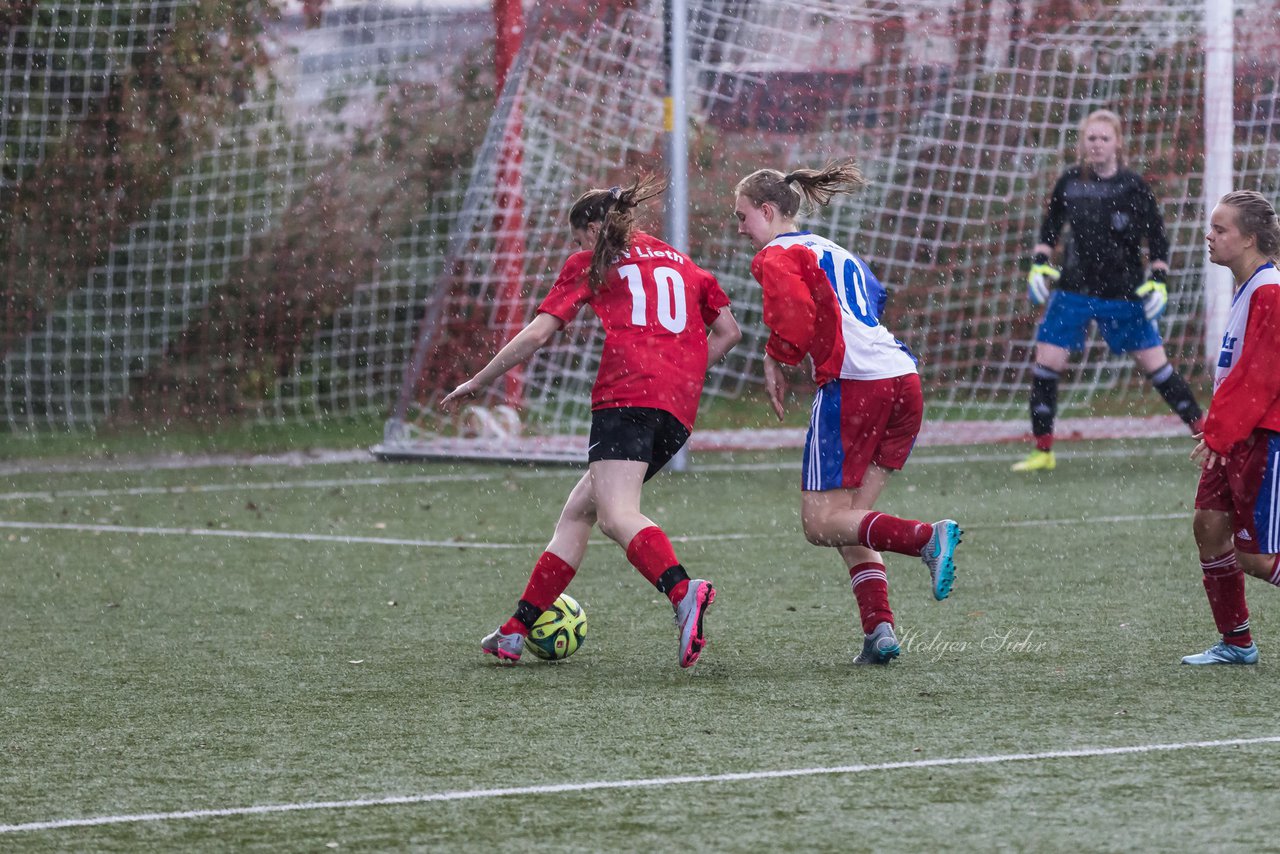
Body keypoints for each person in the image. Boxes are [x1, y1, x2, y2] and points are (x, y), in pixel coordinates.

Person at [440, 176, 742, 669]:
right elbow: (729, 330)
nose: (577, 248)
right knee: (579, 512)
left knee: (616, 515)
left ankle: (685, 591)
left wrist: (478, 381)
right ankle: (516, 630)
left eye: (579, 238)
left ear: (595, 228)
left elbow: (538, 333)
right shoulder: (684, 264)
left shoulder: (594, 260)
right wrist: (681, 372)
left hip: (625, 397)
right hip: (676, 408)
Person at [732, 158, 962, 666]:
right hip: (902, 378)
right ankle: (879, 632)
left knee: (820, 524)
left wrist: (780, 356)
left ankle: (928, 537)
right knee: (851, 520)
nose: (742, 229)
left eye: (743, 217)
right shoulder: (830, 247)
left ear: (768, 211)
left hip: (856, 386)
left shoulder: (775, 254)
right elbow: (872, 297)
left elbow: (794, 315)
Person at [1014, 108, 1203, 472]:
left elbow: (1158, 239)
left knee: (1157, 368)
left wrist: (1159, 281)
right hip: (1073, 290)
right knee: (1047, 363)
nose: (1097, 144)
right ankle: (1043, 451)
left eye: (1104, 138)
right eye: (1091, 138)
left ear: (1117, 143)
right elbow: (1050, 230)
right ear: (1082, 143)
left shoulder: (1133, 186)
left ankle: (1206, 435)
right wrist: (1038, 265)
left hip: (1123, 292)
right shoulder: (1069, 182)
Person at [1181, 190, 1280, 665]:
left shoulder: (1269, 290)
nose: (1210, 235)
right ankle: (1237, 642)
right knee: (1209, 527)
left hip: (1262, 437)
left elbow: (1261, 375)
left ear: (1250, 239)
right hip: (1236, 434)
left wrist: (1222, 430)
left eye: (1221, 229)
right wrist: (1221, 430)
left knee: (1257, 558)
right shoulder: (1248, 286)